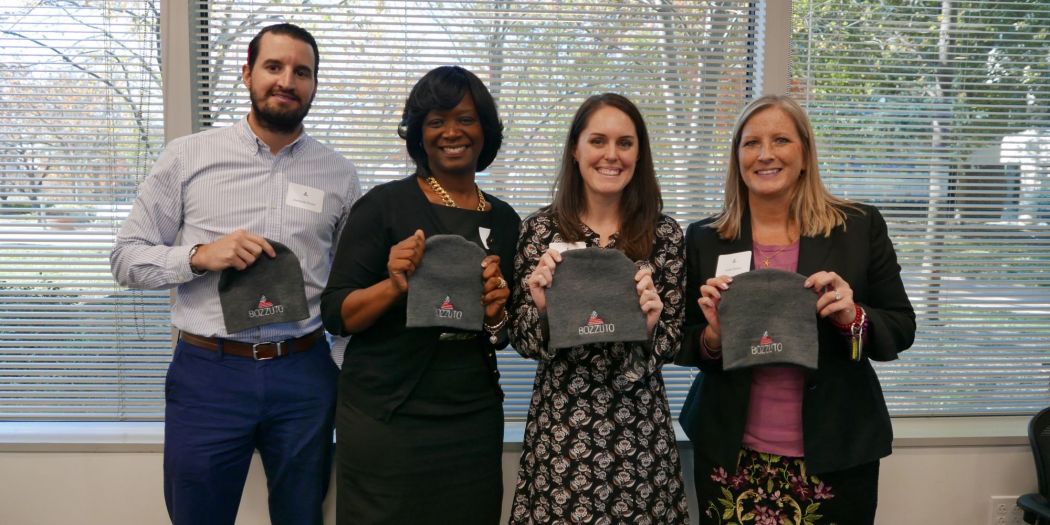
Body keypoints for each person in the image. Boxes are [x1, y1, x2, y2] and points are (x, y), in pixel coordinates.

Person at [110, 23, 359, 525]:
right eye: (273, 66)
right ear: (247, 73)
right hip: (209, 374)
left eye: (302, 71)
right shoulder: (187, 156)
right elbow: (126, 258)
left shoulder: (340, 174)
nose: (287, 80)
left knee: (302, 515)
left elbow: (348, 284)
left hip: (304, 374)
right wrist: (200, 255)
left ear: (313, 85)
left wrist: (336, 363)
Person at [677, 94, 916, 524]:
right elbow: (683, 342)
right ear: (737, 158)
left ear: (805, 153)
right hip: (731, 453)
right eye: (751, 143)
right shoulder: (705, 237)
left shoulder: (858, 227)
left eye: (781, 140)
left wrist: (852, 318)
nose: (765, 154)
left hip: (835, 453)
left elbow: (900, 327)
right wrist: (712, 337)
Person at [320, 65, 517, 524]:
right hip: (387, 415)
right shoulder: (383, 206)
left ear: (484, 129)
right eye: (436, 121)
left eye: (465, 119)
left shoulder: (506, 222)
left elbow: (502, 335)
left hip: (471, 415)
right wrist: (392, 285)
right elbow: (336, 314)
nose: (452, 132)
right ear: (419, 134)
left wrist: (495, 312)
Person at [509, 93, 689, 524]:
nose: (612, 155)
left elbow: (672, 343)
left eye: (625, 143)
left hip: (640, 435)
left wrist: (648, 327)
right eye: (598, 141)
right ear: (575, 149)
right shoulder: (539, 231)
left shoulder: (664, 235)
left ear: (639, 153)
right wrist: (543, 310)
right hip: (562, 435)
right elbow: (521, 339)